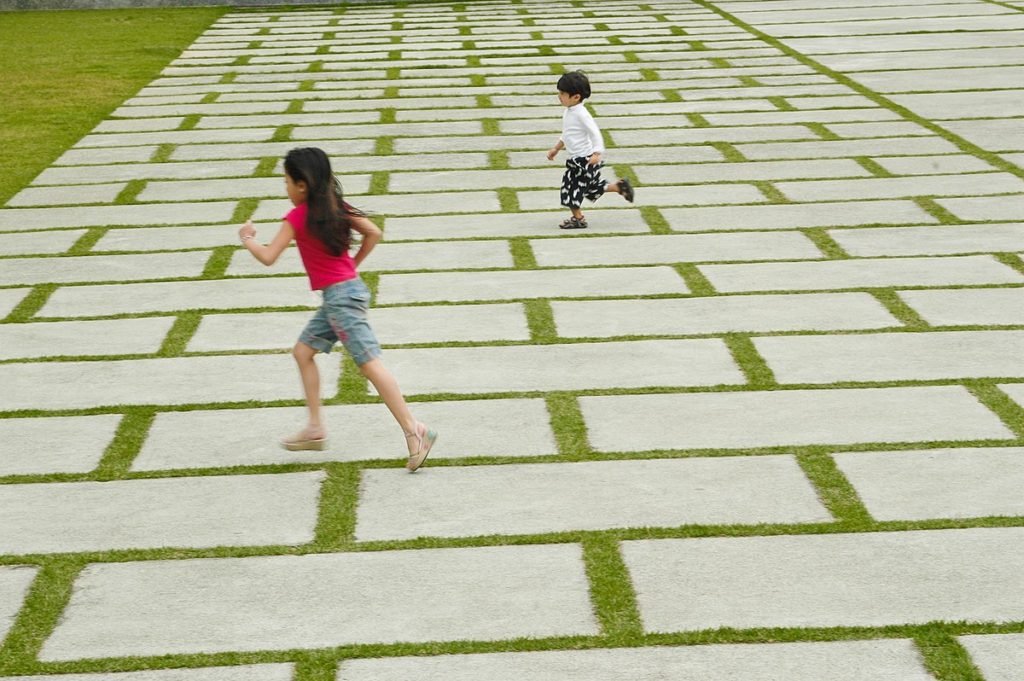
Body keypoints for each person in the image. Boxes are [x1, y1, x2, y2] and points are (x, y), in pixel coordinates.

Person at [237, 147, 436, 472]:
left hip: (341, 300)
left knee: (369, 364)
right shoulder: (335, 206)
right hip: (342, 296)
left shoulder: (297, 216)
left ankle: (415, 429)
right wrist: (352, 267)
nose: (285, 188)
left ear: (303, 185)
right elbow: (374, 232)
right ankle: (315, 427)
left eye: (287, 182)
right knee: (303, 352)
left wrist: (247, 238)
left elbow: (268, 256)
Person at [546, 70, 635, 230]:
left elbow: (595, 133)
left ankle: (578, 218)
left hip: (584, 160)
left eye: (562, 93)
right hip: (578, 160)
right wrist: (556, 148)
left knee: (570, 188)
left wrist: (597, 153)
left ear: (576, 97)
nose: (559, 96)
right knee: (591, 186)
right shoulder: (570, 111)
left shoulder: (582, 114)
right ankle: (619, 187)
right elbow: (568, 134)